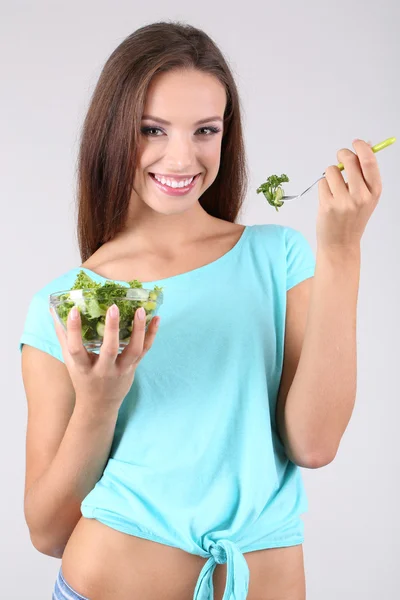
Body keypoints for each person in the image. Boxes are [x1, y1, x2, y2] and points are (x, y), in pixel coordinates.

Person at [19, 20, 382, 600]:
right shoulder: (65, 305)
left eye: (205, 130)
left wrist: (342, 247)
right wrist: (99, 402)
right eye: (152, 130)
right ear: (113, 134)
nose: (182, 157)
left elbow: (314, 444)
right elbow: (47, 530)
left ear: (225, 134)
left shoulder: (277, 258)